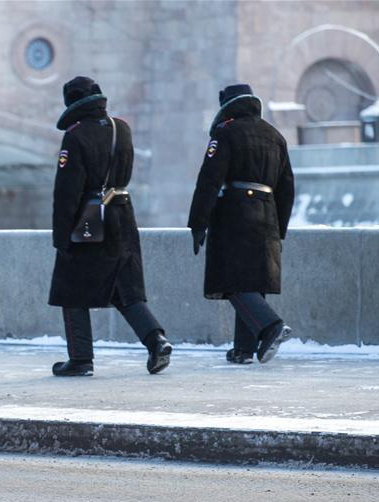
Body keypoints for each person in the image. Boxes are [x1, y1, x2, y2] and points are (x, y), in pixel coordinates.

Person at [49, 76, 172, 377]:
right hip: (123, 212)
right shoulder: (122, 128)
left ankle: (81, 359)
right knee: (123, 285)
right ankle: (156, 340)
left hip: (91, 214)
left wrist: (61, 236)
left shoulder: (76, 136)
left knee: (71, 285)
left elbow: (67, 193)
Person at [188, 84, 295, 364]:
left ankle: (270, 326)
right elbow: (287, 188)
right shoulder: (275, 136)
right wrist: (279, 229)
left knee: (231, 277)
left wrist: (198, 223)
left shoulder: (226, 132)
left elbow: (209, 181)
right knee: (253, 279)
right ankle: (243, 350)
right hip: (268, 212)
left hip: (235, 212)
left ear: (227, 106)